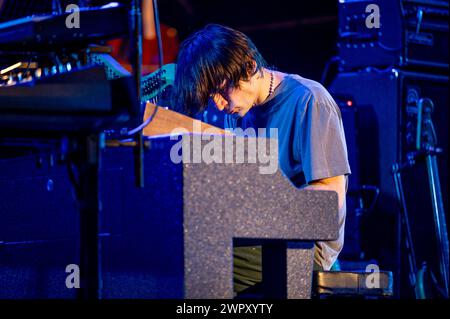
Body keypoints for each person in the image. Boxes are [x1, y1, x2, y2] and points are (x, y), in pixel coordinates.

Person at [172, 23, 350, 296]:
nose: (219, 104)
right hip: (246, 235)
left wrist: (256, 209)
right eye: (211, 96)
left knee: (193, 264)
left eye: (221, 91)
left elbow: (331, 198)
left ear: (248, 67)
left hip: (302, 245)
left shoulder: (310, 100)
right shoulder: (231, 112)